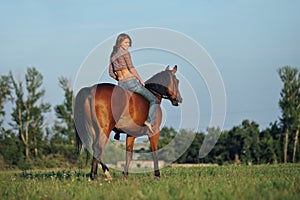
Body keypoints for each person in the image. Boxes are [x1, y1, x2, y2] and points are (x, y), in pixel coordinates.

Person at [109, 33, 158, 135]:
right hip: (131, 83)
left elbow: (110, 73)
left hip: (121, 84)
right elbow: (131, 68)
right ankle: (149, 121)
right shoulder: (125, 53)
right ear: (120, 42)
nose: (128, 44)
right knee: (154, 100)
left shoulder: (112, 55)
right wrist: (140, 80)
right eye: (126, 42)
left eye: (129, 43)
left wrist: (119, 78)